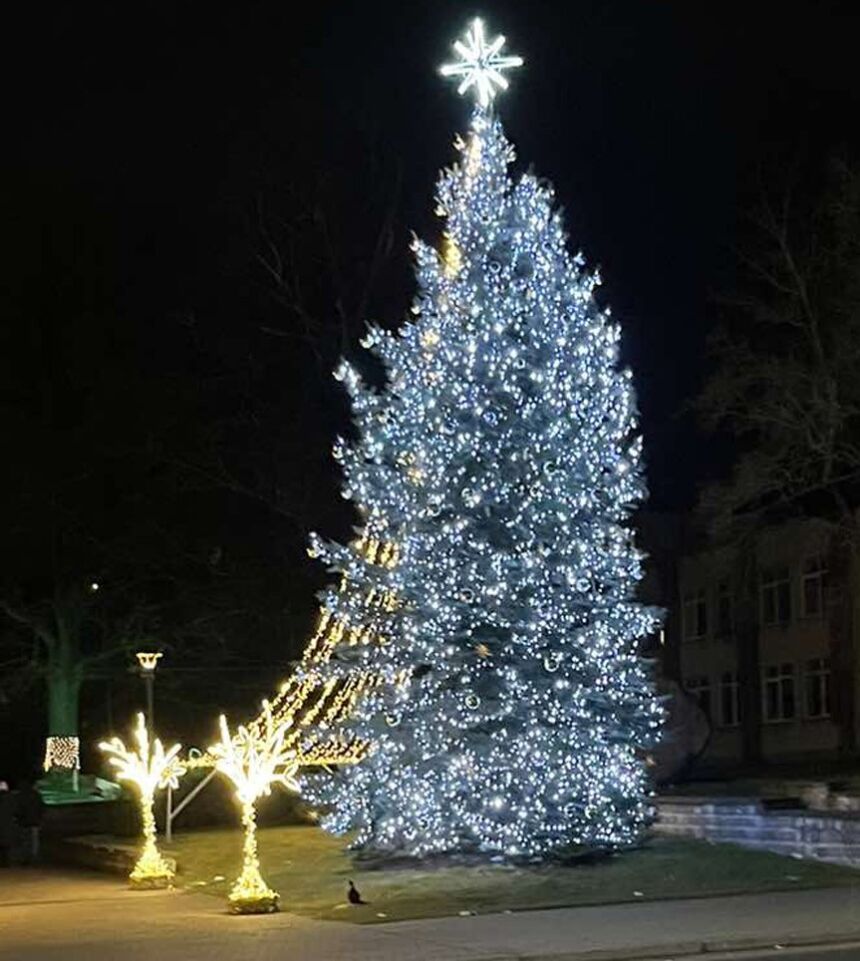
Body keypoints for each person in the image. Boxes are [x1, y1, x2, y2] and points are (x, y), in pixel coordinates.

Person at [15, 779, 45, 865]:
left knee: (24, 840)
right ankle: (33, 857)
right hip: (34, 821)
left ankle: (25, 857)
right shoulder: (37, 796)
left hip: (23, 821)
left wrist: (18, 818)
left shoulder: (21, 796)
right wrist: (40, 819)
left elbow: (18, 809)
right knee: (34, 841)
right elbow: (41, 808)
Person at [0, 781, 13, 867]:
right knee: (6, 844)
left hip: (3, 823)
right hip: (7, 823)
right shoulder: (10, 798)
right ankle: (6, 862)